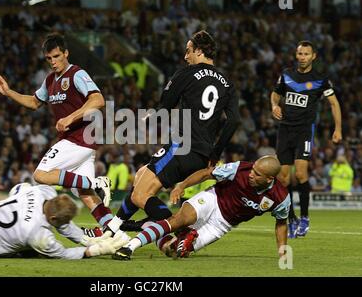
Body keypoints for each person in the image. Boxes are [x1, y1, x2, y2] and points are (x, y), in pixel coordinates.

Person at [105, 30, 240, 235]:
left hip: (182, 147)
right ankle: (111, 230)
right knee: (142, 175)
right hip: (202, 154)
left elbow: (165, 105)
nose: (185, 57)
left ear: (200, 51)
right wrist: (215, 153)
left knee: (140, 195)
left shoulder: (186, 73)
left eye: (188, 51)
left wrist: (149, 116)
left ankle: (179, 228)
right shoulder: (227, 83)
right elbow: (234, 121)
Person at [0, 33, 113, 233]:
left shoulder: (77, 74)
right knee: (86, 194)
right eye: (49, 58)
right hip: (80, 143)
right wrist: (9, 92)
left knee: (40, 175)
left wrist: (70, 118)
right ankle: (114, 231)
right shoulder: (50, 80)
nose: (53, 62)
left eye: (57, 56)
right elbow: (34, 102)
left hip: (78, 138)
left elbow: (98, 100)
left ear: (66, 53)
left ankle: (97, 181)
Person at [112, 156, 290, 260]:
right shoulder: (240, 168)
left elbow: (281, 223)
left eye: (257, 174)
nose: (251, 174)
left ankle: (146, 225)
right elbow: (207, 173)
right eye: (252, 169)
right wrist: (182, 186)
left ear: (269, 179)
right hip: (213, 199)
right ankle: (129, 247)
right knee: (179, 220)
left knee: (174, 252)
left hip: (222, 225)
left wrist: (283, 251)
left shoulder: (280, 198)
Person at [0, 184, 128, 259]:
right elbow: (63, 254)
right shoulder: (39, 235)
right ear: (53, 219)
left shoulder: (42, 191)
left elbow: (18, 189)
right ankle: (21, 251)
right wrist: (94, 250)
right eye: (59, 222)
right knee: (34, 252)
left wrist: (85, 239)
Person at [271, 40, 342, 238]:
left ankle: (305, 217)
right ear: (296, 55)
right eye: (300, 53)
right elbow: (275, 95)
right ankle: (291, 218)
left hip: (304, 130)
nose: (302, 57)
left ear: (313, 56)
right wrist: (274, 106)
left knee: (301, 174)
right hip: (285, 130)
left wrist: (338, 129)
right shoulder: (286, 75)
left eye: (306, 54)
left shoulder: (320, 79)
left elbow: (334, 104)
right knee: (283, 178)